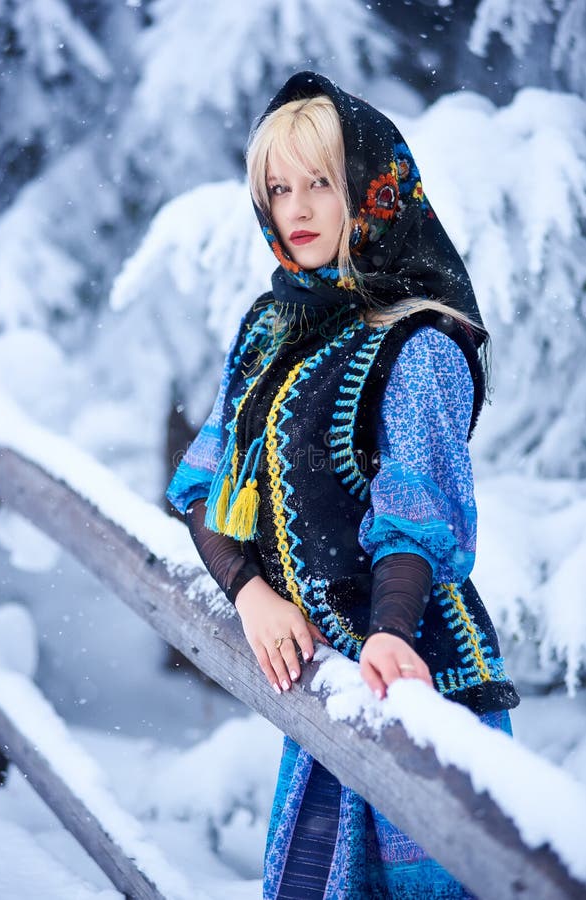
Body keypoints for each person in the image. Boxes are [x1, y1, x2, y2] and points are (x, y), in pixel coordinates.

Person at [166, 71, 520, 900]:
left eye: (319, 183)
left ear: (371, 191)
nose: (295, 208)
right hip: (327, 686)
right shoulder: (273, 323)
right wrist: (250, 592)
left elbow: (415, 513)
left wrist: (389, 628)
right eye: (278, 188)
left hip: (417, 679)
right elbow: (205, 489)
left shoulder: (422, 342)